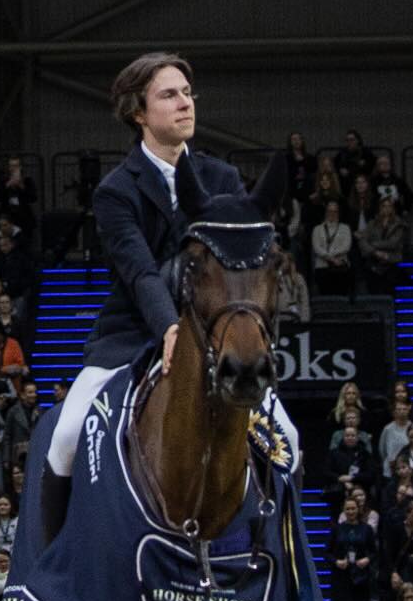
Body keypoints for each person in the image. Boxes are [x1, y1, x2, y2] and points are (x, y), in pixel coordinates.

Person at [40, 49, 265, 519]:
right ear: (138, 113)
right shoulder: (115, 191)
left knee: (290, 443)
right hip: (133, 333)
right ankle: (52, 557)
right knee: (65, 438)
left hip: (216, 332)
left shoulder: (222, 178)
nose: (185, 103)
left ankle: (287, 554)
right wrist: (168, 326)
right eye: (169, 95)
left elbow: (240, 262)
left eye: (187, 93)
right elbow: (140, 271)